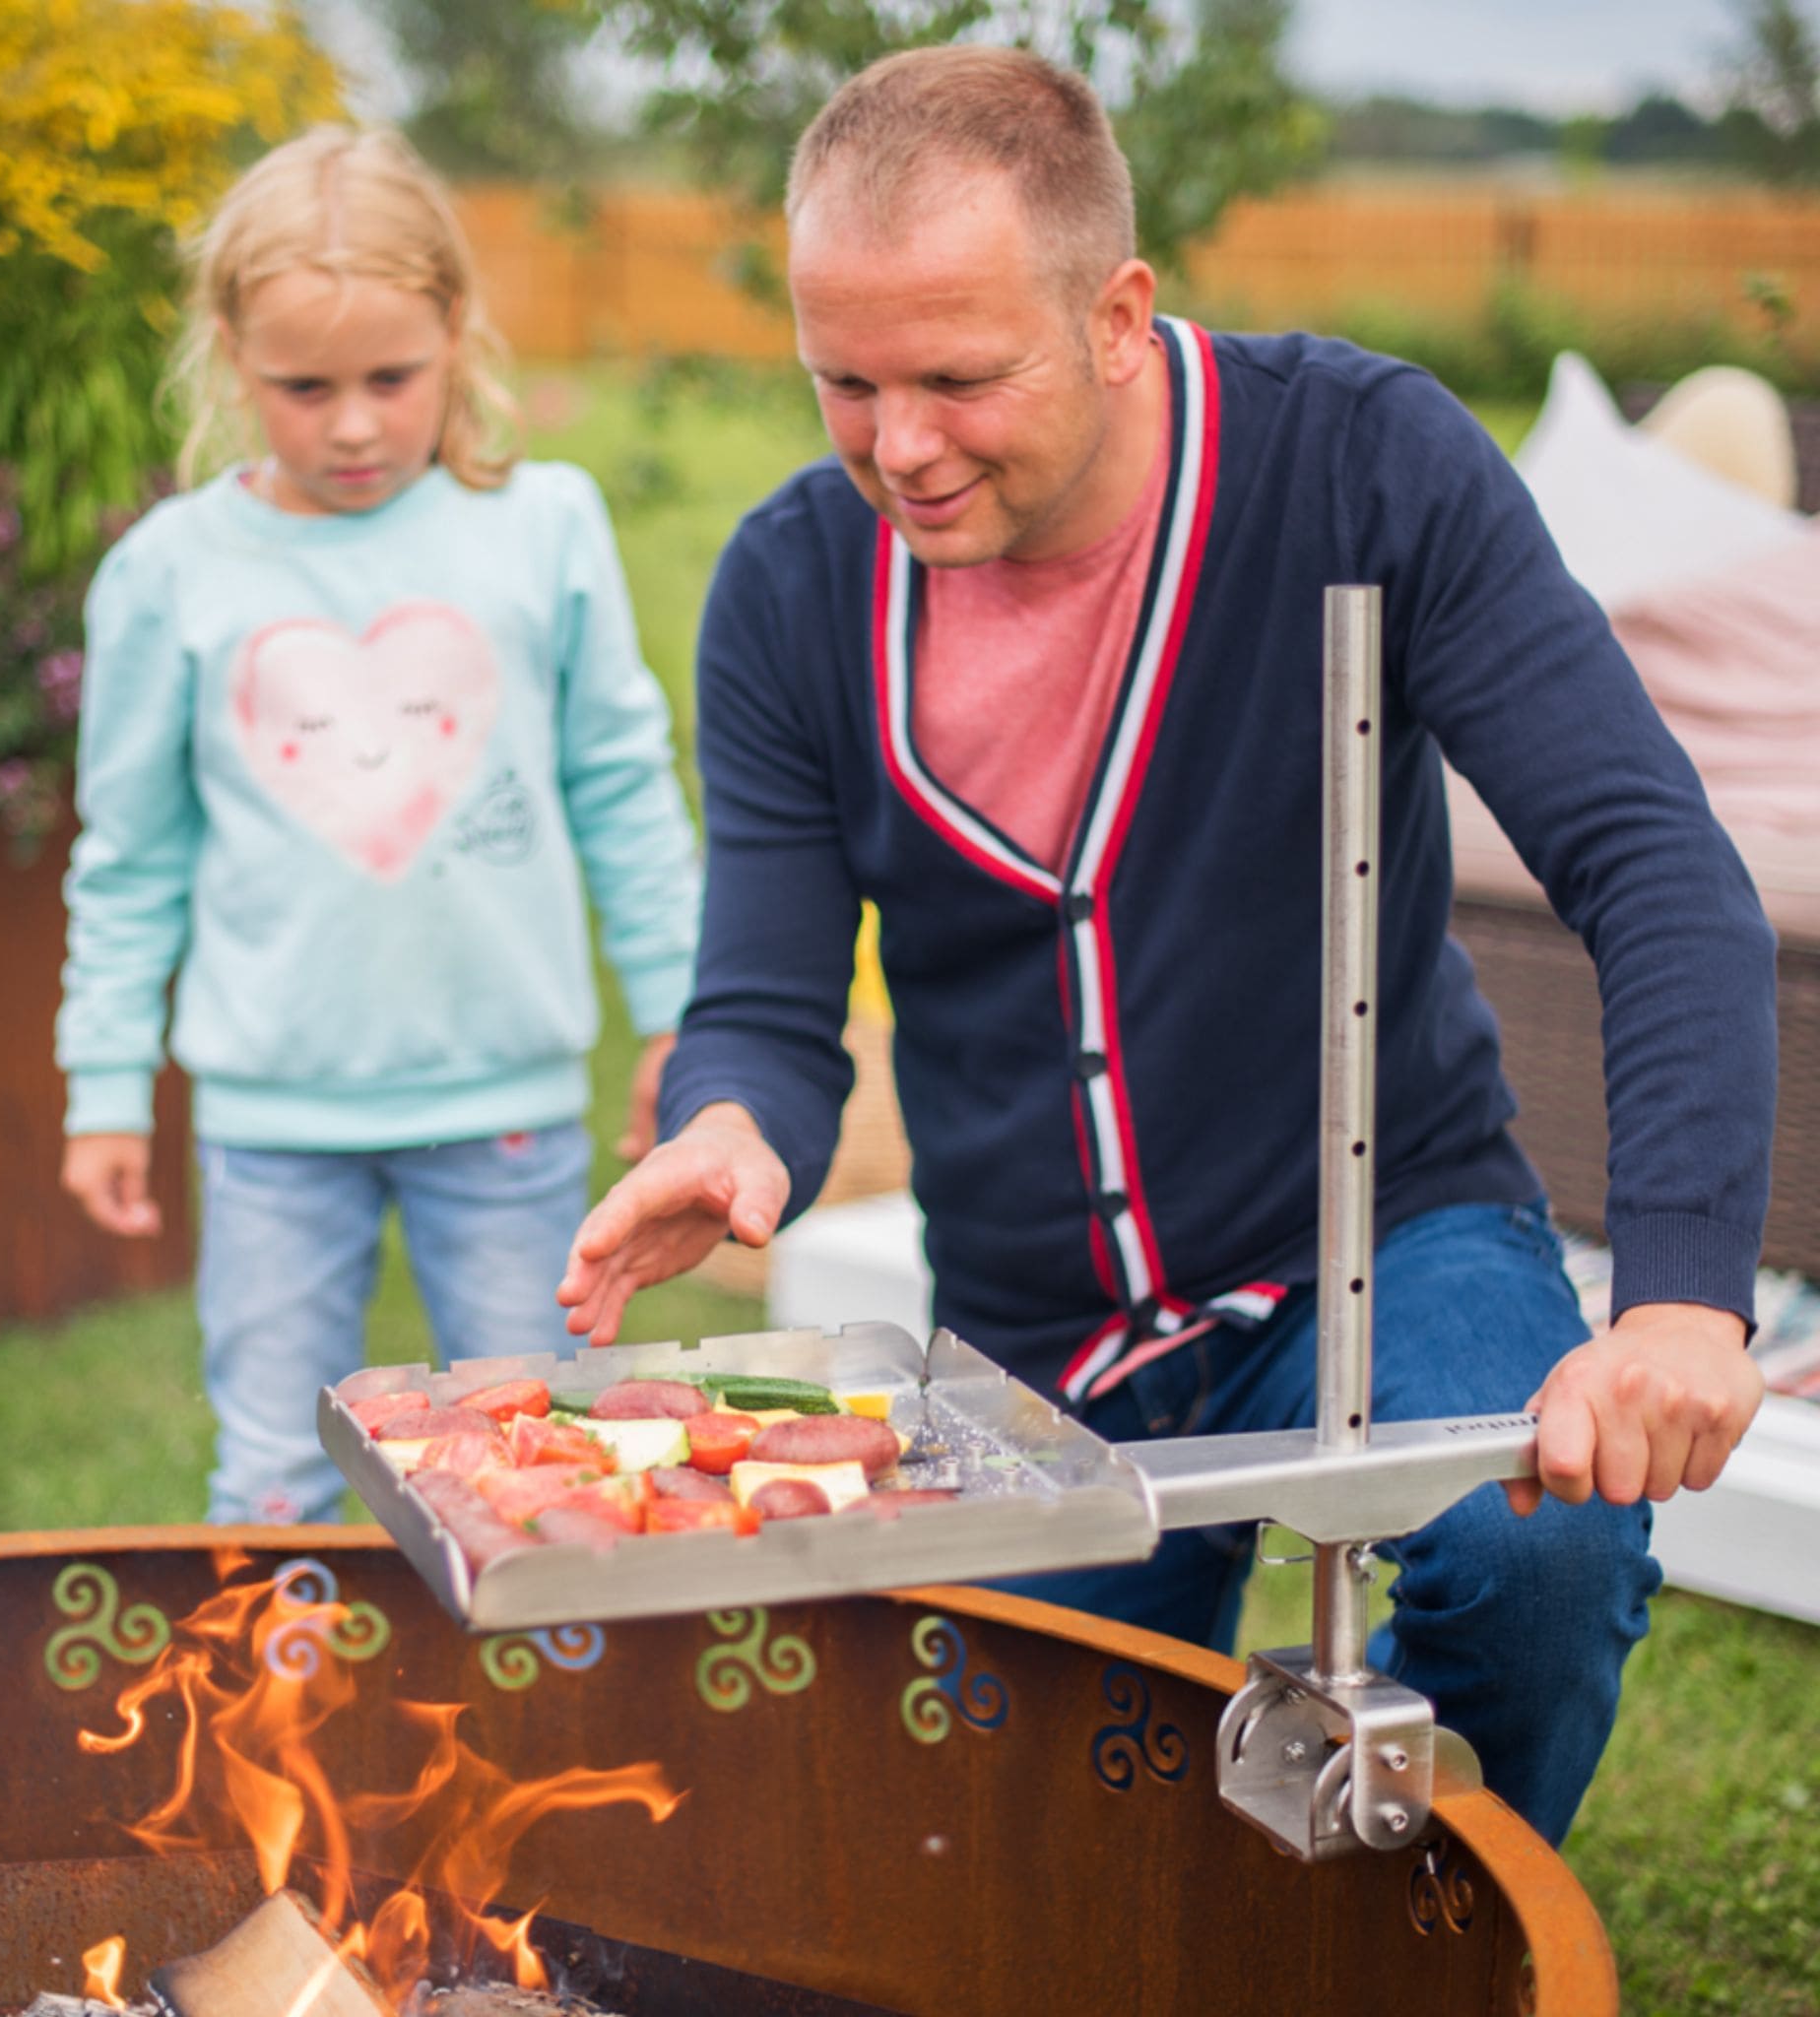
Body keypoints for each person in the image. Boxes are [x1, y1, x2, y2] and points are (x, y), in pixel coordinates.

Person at [557, 47, 1776, 1844]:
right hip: (1041, 1330)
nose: (900, 446)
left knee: (1542, 1560)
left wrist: (1678, 1292)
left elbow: (1654, 863)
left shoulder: (1365, 464)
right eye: (847, 381)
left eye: (962, 377)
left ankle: (1419, 1951)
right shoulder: (789, 588)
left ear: (1121, 313)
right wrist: (736, 1125)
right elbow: (766, 1003)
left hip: (1377, 1228)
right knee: (1020, 1867)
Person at [58, 127, 698, 1527]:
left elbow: (622, 788)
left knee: (537, 1473)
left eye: (390, 379)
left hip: (509, 1119)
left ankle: (556, 1737)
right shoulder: (171, 573)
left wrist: (678, 1021)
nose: (351, 424)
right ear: (232, 356)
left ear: (457, 332)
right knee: (278, 1479)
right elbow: (131, 851)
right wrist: (106, 1082)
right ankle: (268, 1731)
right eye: (304, 387)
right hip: (270, 1127)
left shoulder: (544, 529)